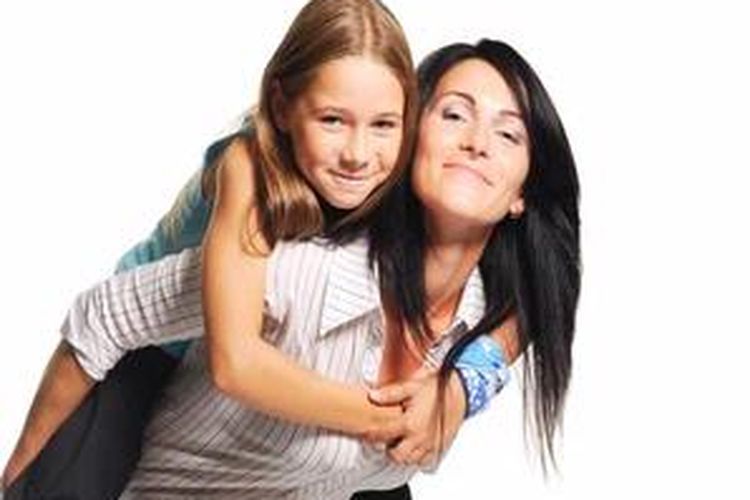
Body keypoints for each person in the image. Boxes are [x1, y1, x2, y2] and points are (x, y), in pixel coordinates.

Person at [5, 38, 579, 498]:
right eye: (454, 113)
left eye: (509, 133)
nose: (478, 142)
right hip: (145, 358)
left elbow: (542, 297)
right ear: (408, 137)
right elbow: (210, 352)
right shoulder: (283, 233)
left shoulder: (479, 315)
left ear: (521, 195)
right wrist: (18, 476)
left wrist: (461, 387)